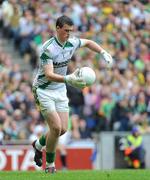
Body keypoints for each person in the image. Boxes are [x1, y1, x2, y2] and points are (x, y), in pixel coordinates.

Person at [32, 15, 113, 173]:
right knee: (55, 127)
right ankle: (50, 166)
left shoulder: (72, 42)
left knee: (62, 130)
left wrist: (103, 52)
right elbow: (48, 74)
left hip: (60, 89)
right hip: (44, 89)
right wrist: (68, 79)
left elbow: (89, 42)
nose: (68, 34)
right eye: (66, 31)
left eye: (70, 31)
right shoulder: (47, 48)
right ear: (57, 28)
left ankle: (38, 145)